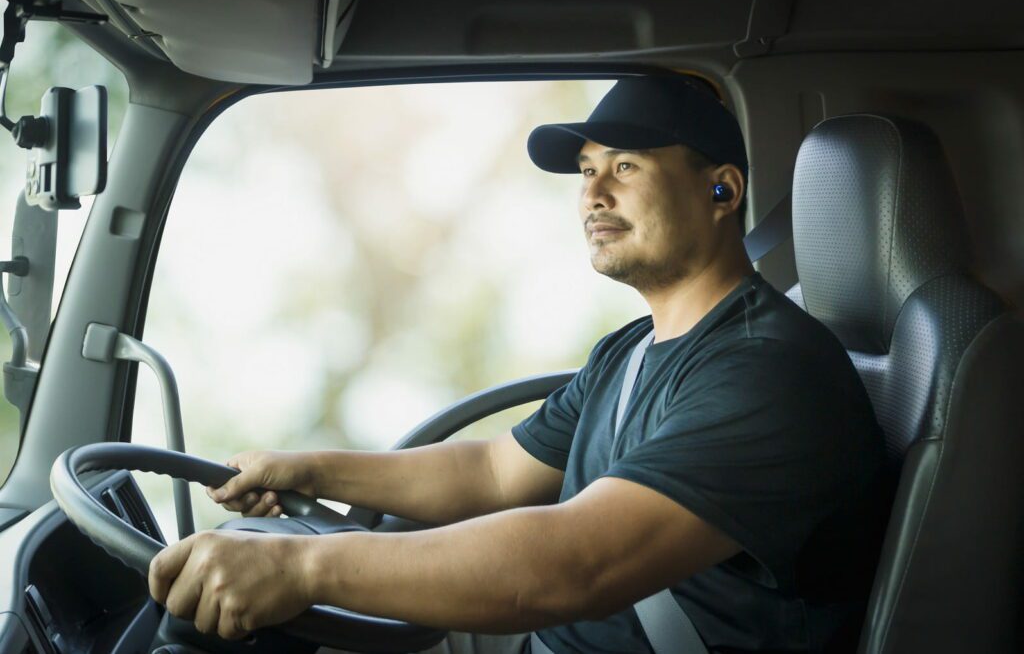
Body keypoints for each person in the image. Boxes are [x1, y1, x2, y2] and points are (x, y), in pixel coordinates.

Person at [148, 76, 891, 653]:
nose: (592, 194)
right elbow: (494, 474)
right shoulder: (631, 351)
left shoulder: (767, 372)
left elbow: (571, 565)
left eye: (624, 166)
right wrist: (310, 470)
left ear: (721, 188)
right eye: (586, 170)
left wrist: (302, 569)